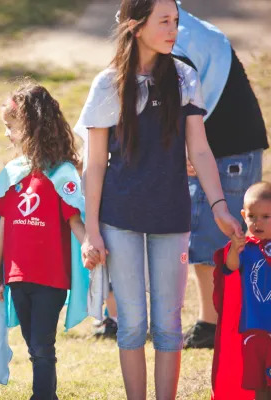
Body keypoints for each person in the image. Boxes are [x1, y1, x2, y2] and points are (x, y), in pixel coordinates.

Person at [77, 0, 243, 398]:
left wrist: (219, 206)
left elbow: (199, 149)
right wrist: (92, 230)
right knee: (132, 323)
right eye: (164, 21)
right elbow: (95, 163)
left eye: (176, 21)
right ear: (136, 26)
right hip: (120, 218)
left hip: (172, 216)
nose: (173, 29)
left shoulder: (185, 76)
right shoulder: (108, 83)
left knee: (169, 325)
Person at [0, 82, 94, 400]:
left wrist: (87, 244)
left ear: (31, 126)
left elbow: (74, 219)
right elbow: (1, 225)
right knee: (33, 344)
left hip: (50, 278)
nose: (7, 134)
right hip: (17, 277)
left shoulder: (61, 174)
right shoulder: (13, 174)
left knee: (43, 345)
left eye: (11, 127)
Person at [171, 4, 269, 350]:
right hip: (231, 143)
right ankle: (219, 319)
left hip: (225, 147)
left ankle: (213, 323)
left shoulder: (174, 35)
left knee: (213, 231)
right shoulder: (186, 25)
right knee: (213, 232)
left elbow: (177, 94)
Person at [212, 182, 271, 400]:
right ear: (243, 215)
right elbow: (230, 267)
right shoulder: (246, 248)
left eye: (266, 216)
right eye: (252, 216)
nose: (258, 222)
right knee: (258, 383)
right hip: (253, 329)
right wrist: (236, 248)